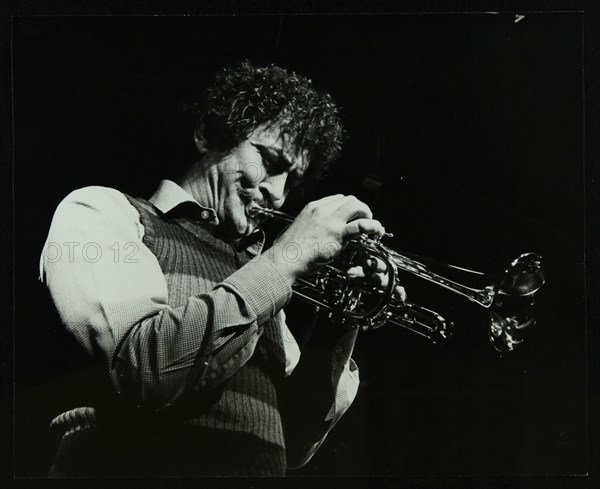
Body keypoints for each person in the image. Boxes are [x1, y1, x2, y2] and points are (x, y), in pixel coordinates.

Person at [40, 61, 400, 477]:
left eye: (293, 180)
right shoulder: (103, 210)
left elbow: (293, 443)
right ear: (208, 136)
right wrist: (284, 260)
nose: (278, 194)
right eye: (269, 160)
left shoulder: (257, 274)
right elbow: (144, 373)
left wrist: (342, 319)